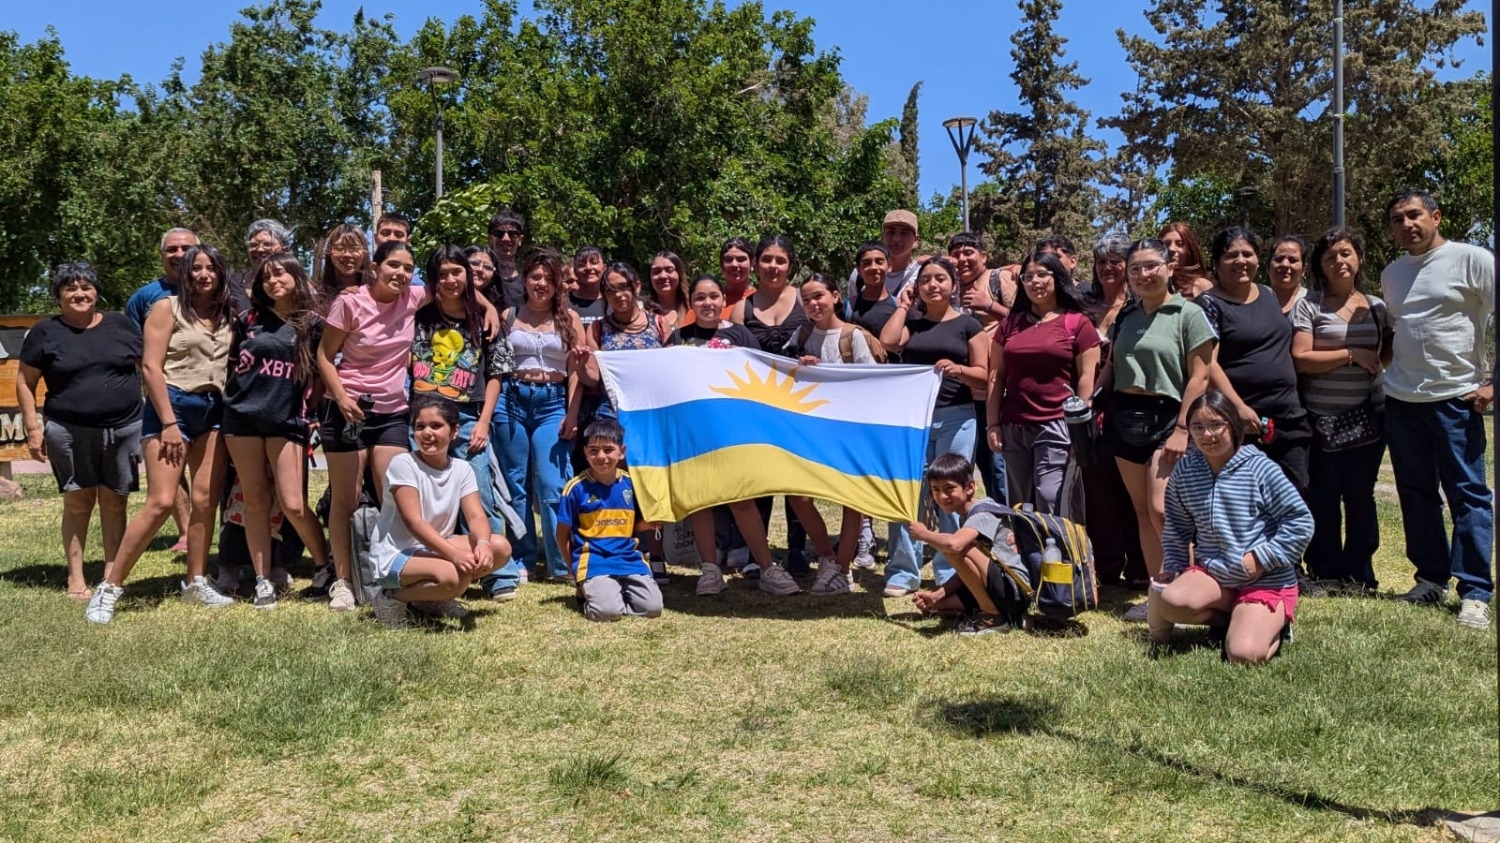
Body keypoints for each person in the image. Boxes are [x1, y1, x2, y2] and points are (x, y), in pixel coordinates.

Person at [86, 244, 236, 623]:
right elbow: (151, 368)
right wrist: (168, 422)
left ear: (221, 274)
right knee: (161, 501)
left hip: (214, 410)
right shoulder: (166, 308)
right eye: (196, 268)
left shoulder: (226, 313)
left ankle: (196, 580)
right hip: (173, 407)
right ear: (185, 274)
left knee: (204, 500)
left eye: (211, 269)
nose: (204, 275)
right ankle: (109, 587)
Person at [1380, 188, 1495, 628]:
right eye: (1397, 219)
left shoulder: (1472, 259)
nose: (1407, 225)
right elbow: (1401, 332)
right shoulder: (1392, 274)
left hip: (1456, 400)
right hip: (1402, 401)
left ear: (1435, 216)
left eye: (1414, 215)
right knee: (1416, 495)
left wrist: (1491, 385)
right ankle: (1431, 579)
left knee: (1467, 496)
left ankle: (1475, 592)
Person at [668, 274, 810, 598]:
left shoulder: (740, 334)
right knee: (700, 501)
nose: (707, 303)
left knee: (741, 499)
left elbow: (762, 375)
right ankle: (710, 570)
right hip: (694, 432)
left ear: (723, 301)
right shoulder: (678, 337)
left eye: (714, 296)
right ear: (691, 303)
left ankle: (766, 567)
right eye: (700, 297)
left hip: (734, 432)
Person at [1151, 390, 1313, 664]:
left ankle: (1274, 625)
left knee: (1243, 655)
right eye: (1198, 427)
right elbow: (1177, 526)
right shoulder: (1186, 471)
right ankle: (1234, 618)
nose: (1207, 435)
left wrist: (1261, 558)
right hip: (1216, 576)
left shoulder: (1262, 469)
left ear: (1233, 426)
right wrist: (1174, 567)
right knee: (1172, 602)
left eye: (1216, 425)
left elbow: (1300, 522)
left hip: (1265, 579)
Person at [1099, 238, 1215, 620]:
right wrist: (1089, 401)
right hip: (1125, 416)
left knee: (1162, 509)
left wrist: (1183, 428)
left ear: (1168, 268)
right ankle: (1159, 592)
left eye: (1151, 266)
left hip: (1168, 416)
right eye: (1136, 269)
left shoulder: (1188, 314)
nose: (1144, 274)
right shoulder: (1126, 318)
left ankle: (1197, 591)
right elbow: (1112, 369)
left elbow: (1200, 375)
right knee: (1141, 512)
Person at [18, 262, 142, 601]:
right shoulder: (45, 332)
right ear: (58, 296)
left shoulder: (121, 324)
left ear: (96, 292)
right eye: (70, 288)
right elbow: (25, 382)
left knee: (115, 501)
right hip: (68, 429)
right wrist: (32, 425)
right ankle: (76, 579)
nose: (79, 293)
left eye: (85, 287)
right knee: (78, 501)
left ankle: (111, 577)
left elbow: (148, 366)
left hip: (124, 427)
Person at [316, 240, 430, 611]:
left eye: (408, 268)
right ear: (376, 267)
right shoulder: (349, 302)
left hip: (392, 412)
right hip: (346, 410)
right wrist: (342, 397)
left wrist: (490, 308)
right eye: (393, 265)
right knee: (345, 499)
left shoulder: (413, 298)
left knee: (394, 494)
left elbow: (457, 287)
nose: (400, 273)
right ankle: (344, 582)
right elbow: (324, 355)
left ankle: (391, 575)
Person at [221, 254, 331, 610]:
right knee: (255, 501)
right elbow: (231, 365)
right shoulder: (247, 320)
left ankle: (325, 566)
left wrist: (310, 409)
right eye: (265, 277)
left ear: (296, 278)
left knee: (293, 503)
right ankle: (263, 579)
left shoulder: (312, 324)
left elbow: (320, 373)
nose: (272, 281)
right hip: (242, 419)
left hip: (287, 420)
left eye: (280, 273)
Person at [411, 244, 521, 600]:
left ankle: (498, 575)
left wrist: (484, 422)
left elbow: (496, 373)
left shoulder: (486, 322)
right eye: (442, 274)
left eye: (456, 272)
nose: (450, 279)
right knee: (426, 501)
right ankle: (435, 569)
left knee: (482, 497)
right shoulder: (419, 315)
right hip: (424, 419)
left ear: (468, 276)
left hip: (470, 416)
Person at [879, 257, 989, 598]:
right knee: (909, 491)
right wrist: (903, 305)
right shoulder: (914, 323)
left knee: (952, 494)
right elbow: (888, 341)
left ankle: (950, 570)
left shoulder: (969, 325)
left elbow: (985, 375)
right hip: (915, 421)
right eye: (926, 280)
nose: (933, 285)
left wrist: (958, 370)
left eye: (941, 278)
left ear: (953, 284)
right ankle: (902, 572)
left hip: (958, 416)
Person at [1291, 227, 1391, 594]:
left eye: (1346, 253)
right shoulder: (1310, 304)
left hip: (1366, 419)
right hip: (1320, 419)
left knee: (1361, 497)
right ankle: (1325, 569)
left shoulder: (1377, 306)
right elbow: (1301, 358)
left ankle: (1360, 573)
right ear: (1321, 263)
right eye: (1331, 255)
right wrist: (1351, 355)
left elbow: (1388, 354)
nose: (1339, 261)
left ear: (1359, 259)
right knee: (1324, 496)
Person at [368, 395, 510, 627]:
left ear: (454, 431)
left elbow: (475, 516)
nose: (427, 433)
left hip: (433, 548)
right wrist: (453, 555)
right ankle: (389, 597)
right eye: (420, 426)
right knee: (455, 578)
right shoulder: (403, 464)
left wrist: (483, 543)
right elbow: (414, 522)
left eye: (436, 426)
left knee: (499, 548)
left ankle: (429, 598)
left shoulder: (462, 468)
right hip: (396, 554)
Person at [493, 250, 587, 584]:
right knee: (515, 484)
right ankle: (522, 558)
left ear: (558, 284)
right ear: (525, 279)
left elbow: (578, 369)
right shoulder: (508, 315)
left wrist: (573, 412)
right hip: (512, 400)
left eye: (549, 278)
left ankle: (561, 561)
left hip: (553, 404)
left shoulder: (569, 319)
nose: (541, 284)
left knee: (552, 483)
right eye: (535, 277)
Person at [731, 234, 820, 576]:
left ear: (790, 266)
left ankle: (797, 550)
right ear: (756, 264)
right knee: (761, 477)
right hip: (757, 403)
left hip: (801, 402)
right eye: (767, 259)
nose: (773, 266)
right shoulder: (743, 307)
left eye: (780, 260)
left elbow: (827, 335)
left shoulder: (806, 299)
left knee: (798, 478)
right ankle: (758, 553)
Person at [1198, 227, 1311, 495]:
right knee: (1247, 502)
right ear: (1216, 263)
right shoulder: (1208, 305)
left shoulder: (1269, 294)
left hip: (1289, 419)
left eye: (1247, 254)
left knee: (1296, 498)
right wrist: (1239, 408)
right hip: (1243, 424)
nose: (1241, 261)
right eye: (1231, 255)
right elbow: (1208, 364)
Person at [986, 250, 1100, 515]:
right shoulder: (1009, 325)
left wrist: (1080, 430)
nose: (1035, 281)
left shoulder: (1077, 323)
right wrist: (993, 423)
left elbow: (1087, 377)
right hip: (1014, 425)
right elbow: (996, 376)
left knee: (1051, 498)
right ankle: (1029, 556)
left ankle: (1061, 554)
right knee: (1019, 503)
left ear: (1057, 278)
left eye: (1042, 274)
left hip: (1058, 425)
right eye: (1028, 276)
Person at [793, 273, 876, 596]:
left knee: (849, 498)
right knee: (798, 496)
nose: (814, 304)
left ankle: (843, 569)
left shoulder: (853, 336)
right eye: (807, 299)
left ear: (836, 296)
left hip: (850, 429)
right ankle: (828, 558)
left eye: (819, 296)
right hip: (812, 428)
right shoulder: (802, 336)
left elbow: (870, 381)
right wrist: (802, 366)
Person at [1079, 234, 1146, 587]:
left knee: (1132, 490)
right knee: (1098, 490)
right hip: (1090, 407)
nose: (1108, 268)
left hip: (1129, 405)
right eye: (1101, 261)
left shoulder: (1140, 308)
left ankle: (1139, 567)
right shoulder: (1083, 307)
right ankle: (1105, 565)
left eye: (1115, 261)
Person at [126, 227, 198, 552]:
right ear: (162, 254)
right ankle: (185, 533)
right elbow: (132, 350)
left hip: (210, 397)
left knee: (211, 477)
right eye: (171, 249)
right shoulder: (144, 298)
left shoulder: (215, 290)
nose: (179, 254)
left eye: (186, 248)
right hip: (163, 397)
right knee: (171, 468)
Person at [909, 454, 1033, 635]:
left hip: (1014, 592)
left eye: (949, 488)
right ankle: (1008, 616)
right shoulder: (966, 516)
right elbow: (968, 567)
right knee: (934, 607)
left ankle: (992, 617)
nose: (942, 496)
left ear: (970, 487)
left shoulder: (982, 513)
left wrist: (924, 535)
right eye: (935, 489)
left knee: (956, 546)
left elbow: (955, 547)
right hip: (998, 587)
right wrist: (938, 595)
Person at [556, 418, 664, 622]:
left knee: (653, 608)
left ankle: (612, 592)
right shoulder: (576, 488)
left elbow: (633, 526)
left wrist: (648, 525)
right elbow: (561, 534)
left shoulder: (632, 484)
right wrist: (574, 571)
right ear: (585, 452)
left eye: (608, 449)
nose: (601, 456)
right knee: (606, 613)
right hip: (594, 561)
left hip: (628, 558)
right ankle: (595, 594)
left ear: (621, 452)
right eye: (594, 450)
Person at [847, 209, 923, 297]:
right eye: (891, 232)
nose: (896, 239)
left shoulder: (922, 276)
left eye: (904, 233)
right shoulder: (860, 274)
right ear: (882, 236)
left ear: (916, 240)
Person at [230, 219, 293, 312]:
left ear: (285, 250)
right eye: (253, 245)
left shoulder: (300, 286)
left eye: (267, 244)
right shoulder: (232, 283)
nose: (259, 249)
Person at [314, 223, 371, 302]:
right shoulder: (317, 297)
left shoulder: (378, 291)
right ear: (329, 253)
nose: (347, 254)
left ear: (365, 252)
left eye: (354, 248)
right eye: (339, 249)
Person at [1159, 222, 1213, 300]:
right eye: (1166, 244)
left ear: (1189, 249)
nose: (1171, 248)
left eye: (1180, 244)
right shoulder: (1152, 283)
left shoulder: (1200, 285)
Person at [487, 208, 527, 308]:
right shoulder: (480, 273)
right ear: (490, 239)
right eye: (499, 234)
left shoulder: (528, 278)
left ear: (520, 239)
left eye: (513, 234)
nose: (506, 238)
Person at [646, 251, 690, 333]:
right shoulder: (642, 311)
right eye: (656, 271)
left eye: (669, 270)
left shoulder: (693, 308)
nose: (663, 276)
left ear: (679, 274)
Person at [1269, 235, 1308, 318]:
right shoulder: (1256, 302)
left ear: (1304, 269)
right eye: (1279, 259)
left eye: (1292, 260)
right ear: (1268, 267)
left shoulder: (1314, 303)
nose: (1285, 264)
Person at [569, 246, 608, 328]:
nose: (588, 268)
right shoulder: (562, 303)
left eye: (594, 262)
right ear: (575, 270)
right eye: (581, 264)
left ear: (604, 268)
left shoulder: (614, 302)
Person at [718, 237, 756, 318]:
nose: (734, 264)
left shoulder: (761, 301)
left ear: (752, 263)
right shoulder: (709, 300)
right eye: (728, 259)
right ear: (721, 265)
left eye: (741, 259)